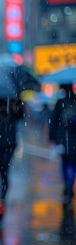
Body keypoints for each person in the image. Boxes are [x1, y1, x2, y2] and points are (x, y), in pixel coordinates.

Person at [48, 84, 76, 237]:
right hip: (74, 139)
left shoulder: (60, 102)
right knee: (73, 164)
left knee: (65, 164)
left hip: (63, 139)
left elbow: (54, 121)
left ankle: (67, 186)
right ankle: (70, 185)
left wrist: (52, 138)